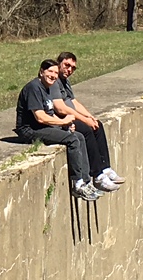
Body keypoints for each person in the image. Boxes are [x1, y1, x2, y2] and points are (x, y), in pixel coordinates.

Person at [16, 58, 100, 201]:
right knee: (72, 140)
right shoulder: (34, 88)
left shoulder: (47, 87)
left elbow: (50, 113)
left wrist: (64, 125)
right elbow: (40, 117)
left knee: (78, 136)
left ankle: (86, 181)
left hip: (42, 127)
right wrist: (62, 121)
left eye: (55, 73)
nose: (53, 75)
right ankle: (77, 183)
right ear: (41, 71)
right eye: (50, 71)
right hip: (29, 130)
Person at [53, 50, 121, 190]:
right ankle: (97, 175)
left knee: (97, 125)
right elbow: (60, 109)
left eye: (73, 68)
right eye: (66, 65)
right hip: (62, 119)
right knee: (87, 131)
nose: (69, 69)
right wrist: (84, 120)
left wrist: (89, 116)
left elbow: (74, 102)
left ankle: (105, 168)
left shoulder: (65, 82)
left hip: (71, 115)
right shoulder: (54, 81)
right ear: (59, 63)